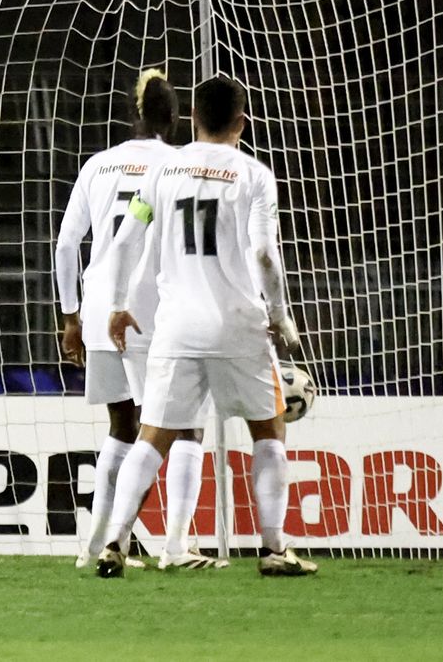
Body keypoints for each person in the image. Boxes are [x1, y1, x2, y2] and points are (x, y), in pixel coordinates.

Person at [98, 75, 315, 578]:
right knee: (269, 429)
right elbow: (263, 253)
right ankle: (273, 549)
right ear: (242, 122)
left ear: (193, 118)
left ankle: (115, 544)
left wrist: (118, 303)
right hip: (239, 326)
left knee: (152, 435)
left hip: (176, 329)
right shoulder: (254, 175)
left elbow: (127, 236)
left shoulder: (163, 173)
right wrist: (281, 316)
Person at [55, 70, 221, 570]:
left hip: (99, 306)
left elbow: (66, 245)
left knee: (122, 428)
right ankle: (177, 545)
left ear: (134, 113)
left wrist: (69, 316)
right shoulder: (181, 167)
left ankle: (97, 546)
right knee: (186, 428)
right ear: (175, 120)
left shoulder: (98, 165)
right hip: (154, 313)